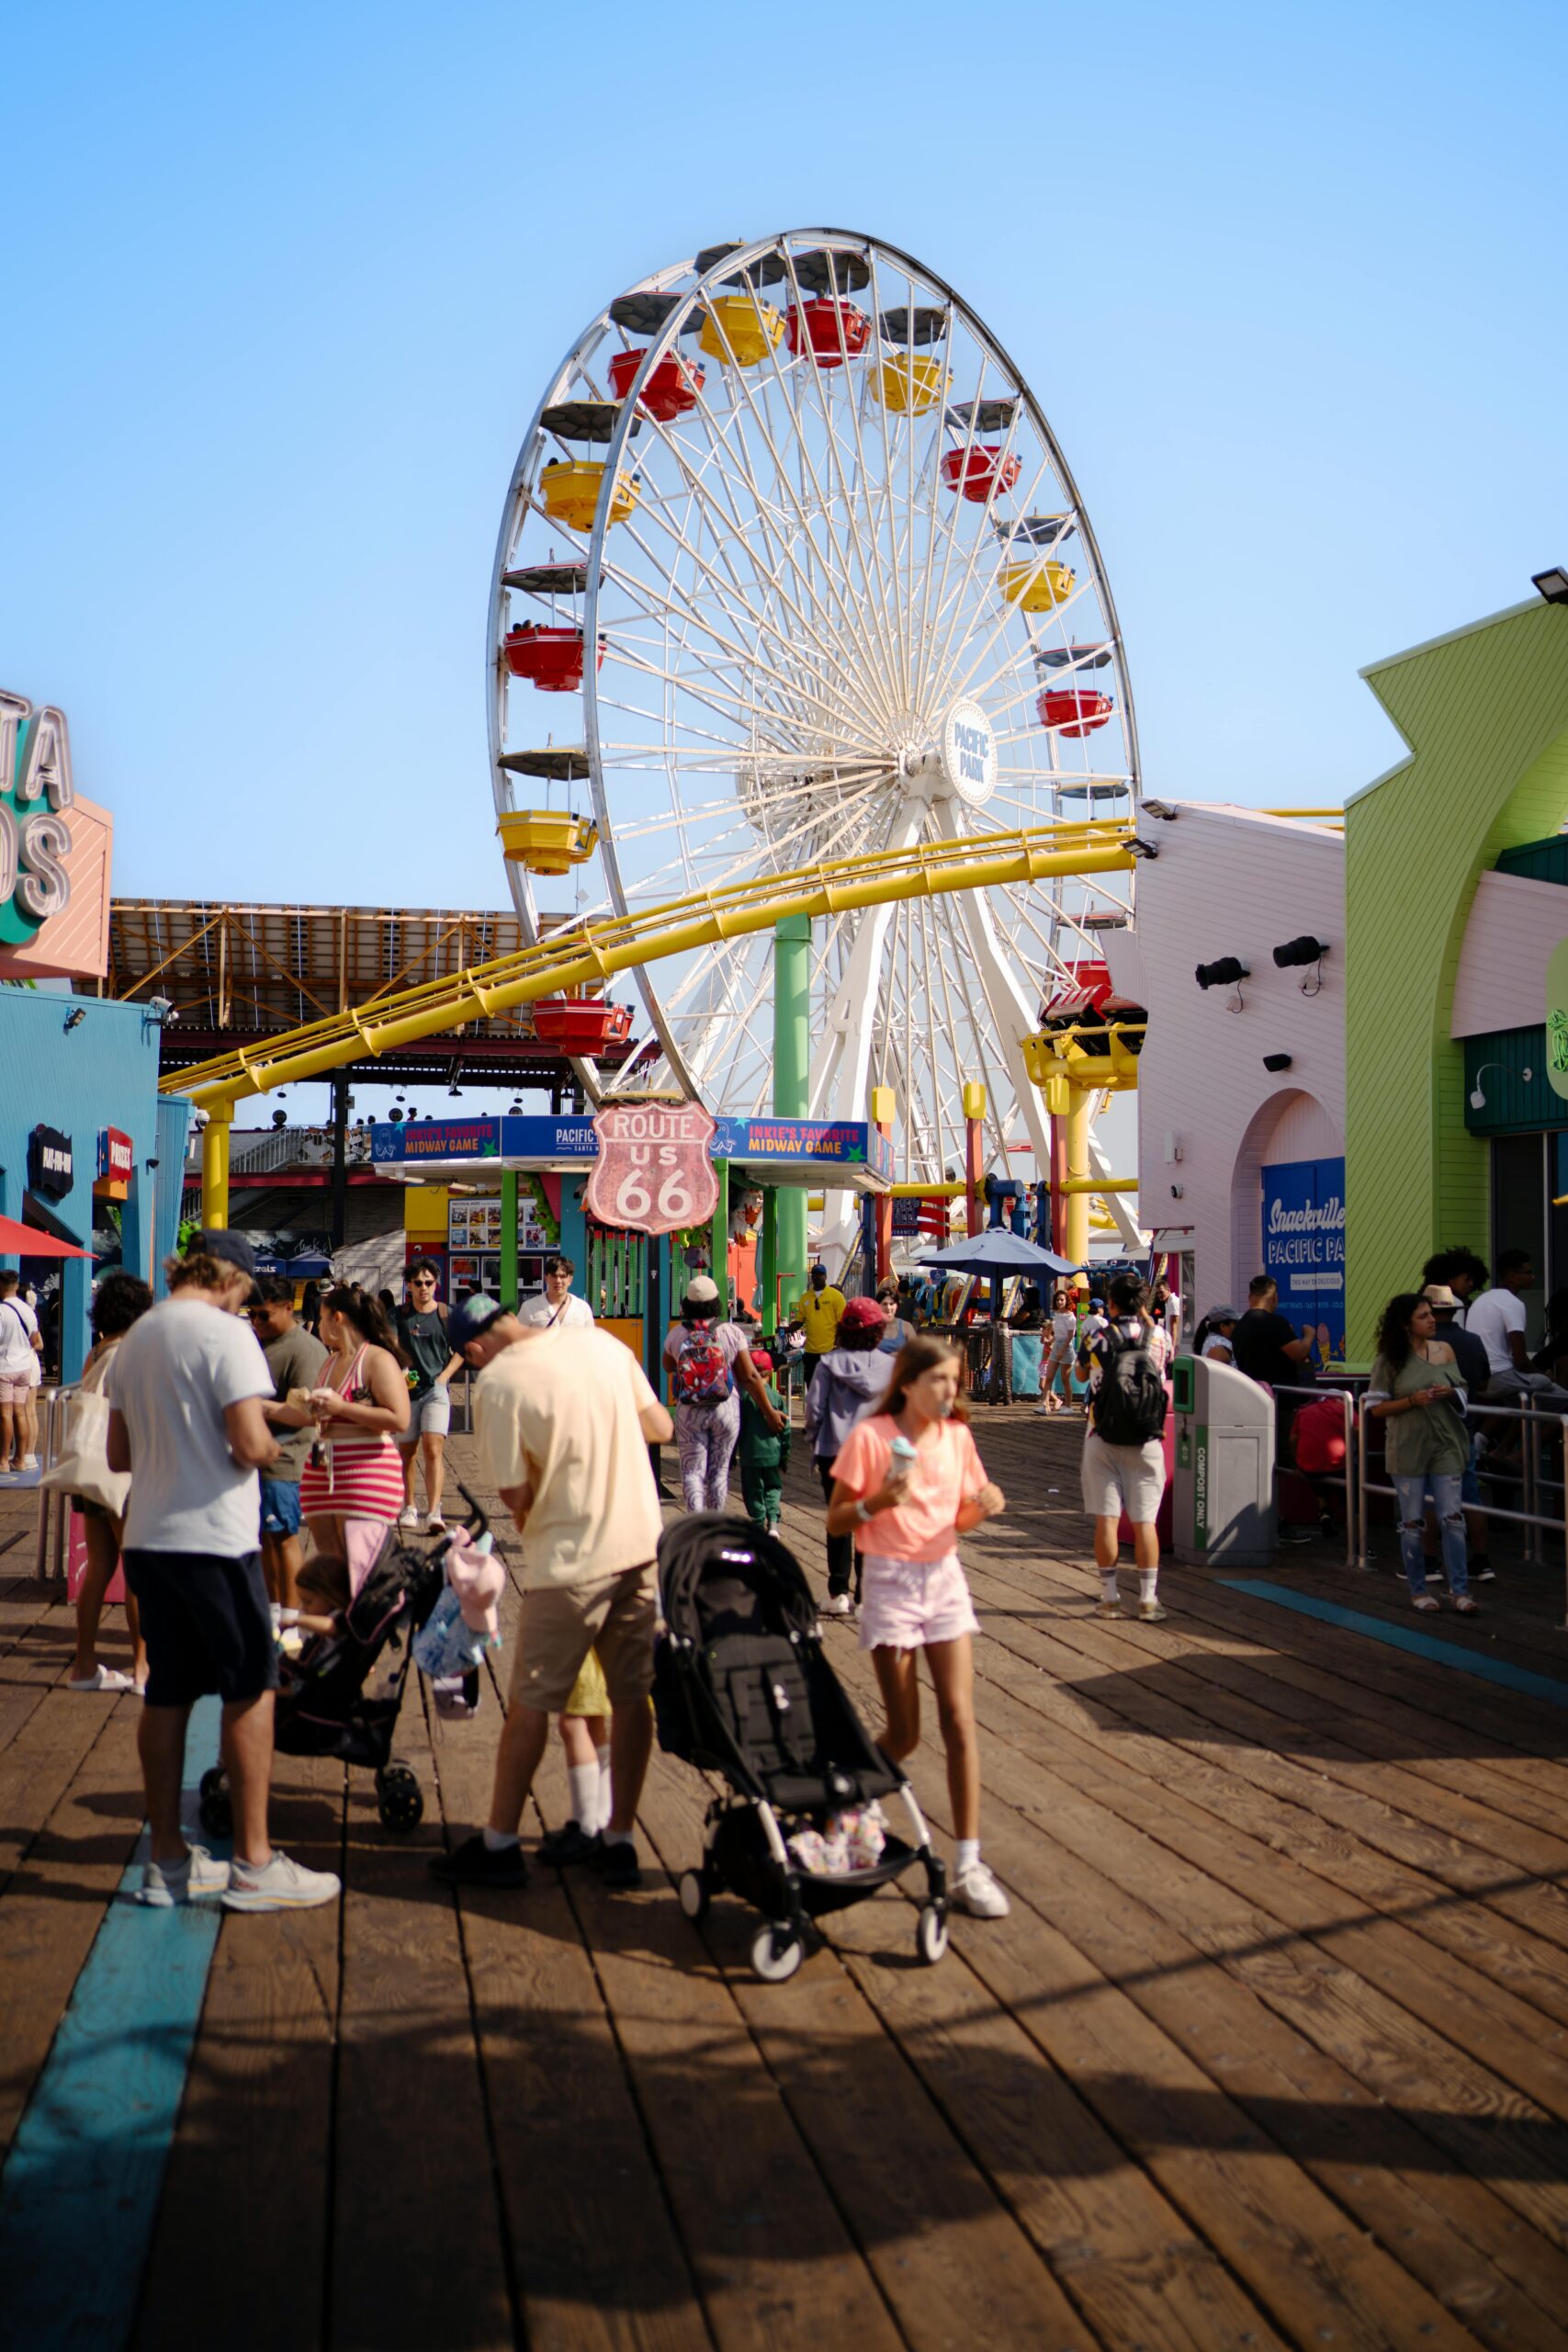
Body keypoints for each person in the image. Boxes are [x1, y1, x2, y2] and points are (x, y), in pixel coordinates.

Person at [105, 1229, 341, 1912]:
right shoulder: (227, 1334)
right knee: (250, 1688)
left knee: (168, 1693)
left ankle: (168, 1866)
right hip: (215, 1538)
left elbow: (121, 1454)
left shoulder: (138, 1338)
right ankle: (253, 1862)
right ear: (232, 1279)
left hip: (150, 1537)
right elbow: (247, 1442)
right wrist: (276, 1441)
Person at [431, 1293, 674, 1892]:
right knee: (631, 1695)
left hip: (569, 1561)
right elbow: (660, 1427)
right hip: (642, 1547)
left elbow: (514, 1496)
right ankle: (617, 1840)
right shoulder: (602, 1345)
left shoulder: (498, 1384)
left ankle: (501, 1842)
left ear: (472, 1349)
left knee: (532, 1703)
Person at [826, 1336, 1009, 1918]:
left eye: (955, 1382)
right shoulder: (871, 1438)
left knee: (959, 1721)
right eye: (940, 1381)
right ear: (907, 1382)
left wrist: (982, 1508)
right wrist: (878, 1502)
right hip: (889, 1581)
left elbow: (958, 1516)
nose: (950, 1391)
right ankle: (851, 1792)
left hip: (944, 1577)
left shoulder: (957, 1436)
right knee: (904, 1732)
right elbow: (835, 1517)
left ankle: (969, 1863)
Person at [295, 1285, 412, 1600]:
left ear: (338, 1318)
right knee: (332, 1570)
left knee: (361, 1569)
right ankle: (335, 1637)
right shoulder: (329, 1362)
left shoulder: (376, 1359)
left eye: (320, 1318)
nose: (317, 1326)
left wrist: (341, 1407)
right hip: (324, 1470)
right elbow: (317, 1417)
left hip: (365, 1471)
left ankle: (363, 1634)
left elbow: (400, 1419)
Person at [67, 1272, 153, 1693]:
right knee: (137, 1570)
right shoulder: (135, 1354)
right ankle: (142, 1668)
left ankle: (84, 1665)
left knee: (99, 1568)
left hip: (90, 1471)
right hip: (123, 1471)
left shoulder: (96, 1352)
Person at [1366, 1292, 1474, 1613]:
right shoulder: (1389, 1360)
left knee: (1452, 1518)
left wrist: (1451, 1392)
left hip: (1446, 1441)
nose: (1432, 1320)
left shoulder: (1445, 1350)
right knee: (1412, 1522)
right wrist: (1411, 1401)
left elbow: (1464, 1390)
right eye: (1423, 1316)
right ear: (1405, 1324)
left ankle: (1460, 1591)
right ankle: (1418, 1589)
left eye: (1431, 1314)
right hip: (1408, 1445)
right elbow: (1375, 1408)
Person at [1077, 1272, 1170, 1622]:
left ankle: (1111, 1597)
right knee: (1146, 1522)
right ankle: (1148, 1599)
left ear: (1110, 1302)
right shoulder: (1160, 1337)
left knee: (1107, 1520)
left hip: (1102, 1436)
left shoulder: (1097, 1336)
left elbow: (1082, 1376)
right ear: (1145, 1303)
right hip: (1147, 1437)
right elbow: (1163, 1368)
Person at [805, 1297, 896, 1616]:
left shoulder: (828, 1364)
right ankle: (866, 1597)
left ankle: (838, 1592)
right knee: (869, 1521)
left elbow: (814, 1409)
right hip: (878, 1456)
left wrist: (814, 1441)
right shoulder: (892, 1366)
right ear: (878, 1331)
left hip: (836, 1451)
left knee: (839, 1521)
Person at [662, 1275, 783, 1512]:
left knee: (693, 1471)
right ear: (716, 1302)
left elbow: (668, 1365)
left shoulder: (677, 1334)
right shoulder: (731, 1332)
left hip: (690, 1412)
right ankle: (715, 1522)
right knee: (719, 1470)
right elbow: (749, 1377)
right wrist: (769, 1412)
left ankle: (696, 1525)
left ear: (687, 1303)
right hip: (725, 1409)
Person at [247, 1276, 328, 1615]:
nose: (256, 1323)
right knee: (265, 1538)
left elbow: (306, 1413)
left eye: (264, 1316)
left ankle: (292, 1616)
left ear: (287, 1308)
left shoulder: (304, 1349)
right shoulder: (256, 1342)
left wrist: (249, 1404)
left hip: (287, 1457)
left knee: (282, 1536)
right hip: (256, 1457)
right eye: (251, 1315)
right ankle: (273, 1610)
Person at [1424, 1282, 1494, 1579]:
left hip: (1430, 1429)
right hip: (1464, 1427)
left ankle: (1429, 1563)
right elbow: (1485, 1384)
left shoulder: (1420, 1344)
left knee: (1429, 1496)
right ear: (1453, 1311)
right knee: (1470, 1495)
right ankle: (1482, 1561)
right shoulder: (1473, 1341)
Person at [394, 1259, 464, 1530]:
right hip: (406, 1391)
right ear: (409, 1285)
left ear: (436, 1284)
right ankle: (409, 1506)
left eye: (429, 1282)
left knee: (433, 1448)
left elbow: (462, 1350)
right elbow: (389, 1344)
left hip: (436, 1391)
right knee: (407, 1452)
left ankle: (434, 1510)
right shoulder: (398, 1315)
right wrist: (399, 1370)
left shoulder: (447, 1314)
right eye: (418, 1283)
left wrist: (444, 1377)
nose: (424, 1288)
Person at [1465, 1249, 1568, 1408]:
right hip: (1500, 1378)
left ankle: (1483, 1435)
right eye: (1528, 1272)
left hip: (1478, 1380)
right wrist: (1547, 1377)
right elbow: (1521, 1362)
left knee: (1522, 1405)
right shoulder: (1513, 1304)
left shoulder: (1482, 1299)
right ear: (1513, 1276)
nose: (1533, 1277)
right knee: (1559, 1395)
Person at [1232, 1272, 1314, 1435]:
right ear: (1275, 1298)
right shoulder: (1274, 1322)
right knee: (1284, 1454)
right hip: (1280, 1403)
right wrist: (1309, 1335)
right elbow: (1299, 1353)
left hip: (1252, 1399)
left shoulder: (1240, 1326)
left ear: (1249, 1297)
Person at [738, 1346, 790, 1532]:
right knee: (772, 1488)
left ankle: (758, 1523)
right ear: (771, 1372)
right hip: (772, 1453)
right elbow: (786, 1430)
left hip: (750, 1454)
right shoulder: (776, 1398)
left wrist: (732, 1455)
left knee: (753, 1491)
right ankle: (773, 1522)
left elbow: (737, 1428)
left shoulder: (743, 1398)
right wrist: (784, 1455)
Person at [0, 1267, 43, 1473]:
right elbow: (35, 1339)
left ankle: (2, 1461)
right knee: (21, 1413)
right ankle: (20, 1459)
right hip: (25, 1367)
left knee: (5, 1414)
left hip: (5, 1367)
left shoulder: (1, 1310)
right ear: (16, 1286)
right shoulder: (28, 1310)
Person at [790, 1262, 846, 1394]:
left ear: (825, 1277)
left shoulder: (836, 1296)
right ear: (811, 1276)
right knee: (812, 1386)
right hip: (810, 1352)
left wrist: (837, 1343)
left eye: (820, 1274)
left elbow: (842, 1323)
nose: (817, 1277)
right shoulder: (805, 1298)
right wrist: (785, 1330)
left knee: (831, 1387)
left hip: (830, 1351)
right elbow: (799, 1321)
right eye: (815, 1274)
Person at [520, 1251, 595, 1331]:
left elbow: (590, 1340)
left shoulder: (582, 1308)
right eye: (554, 1276)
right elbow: (516, 1338)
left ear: (570, 1280)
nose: (558, 1281)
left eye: (563, 1276)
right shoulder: (529, 1307)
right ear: (546, 1278)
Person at [1035, 1286, 1078, 1417]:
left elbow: (1070, 1336)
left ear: (1066, 1301)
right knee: (1049, 1378)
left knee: (1065, 1379)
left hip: (1066, 1348)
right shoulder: (1057, 1315)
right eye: (1058, 1300)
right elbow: (1058, 1333)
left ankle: (1069, 1406)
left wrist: (1062, 1350)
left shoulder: (1071, 1317)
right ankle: (1045, 1405)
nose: (1060, 1302)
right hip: (1056, 1346)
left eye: (1062, 1300)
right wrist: (1050, 1341)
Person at [875, 1278, 917, 1355]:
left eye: (891, 1304)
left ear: (897, 1305)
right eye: (884, 1304)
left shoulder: (907, 1327)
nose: (888, 1308)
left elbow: (915, 1353)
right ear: (878, 1305)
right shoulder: (872, 1327)